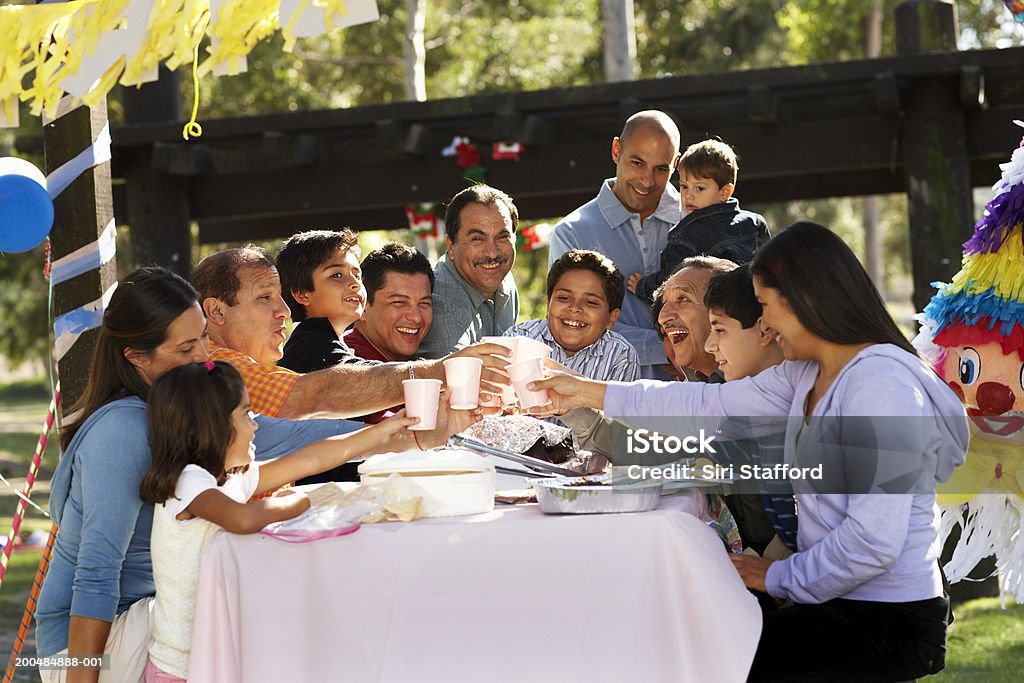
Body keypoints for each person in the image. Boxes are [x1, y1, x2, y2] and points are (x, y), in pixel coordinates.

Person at [531, 222, 968, 682]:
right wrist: (585, 391)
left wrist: (774, 576)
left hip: (886, 618)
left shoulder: (879, 385)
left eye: (766, 306)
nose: (765, 324)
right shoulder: (807, 375)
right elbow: (704, 404)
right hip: (837, 601)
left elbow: (874, 542)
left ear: (807, 301)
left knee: (715, 661)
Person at [33, 268, 369, 683]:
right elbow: (97, 572)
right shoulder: (121, 431)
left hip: (147, 617)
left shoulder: (177, 411)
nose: (204, 358)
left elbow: (289, 435)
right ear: (137, 356)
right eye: (186, 347)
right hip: (89, 646)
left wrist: (402, 433)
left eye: (205, 339)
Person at [140, 361, 418, 681]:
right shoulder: (188, 481)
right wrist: (298, 503)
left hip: (214, 654)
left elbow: (307, 459)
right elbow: (242, 519)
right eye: (246, 414)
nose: (256, 425)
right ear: (212, 425)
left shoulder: (229, 479)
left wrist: (377, 434)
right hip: (179, 668)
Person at [192, 246, 508, 420]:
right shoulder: (223, 372)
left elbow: (323, 447)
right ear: (216, 311)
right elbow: (318, 395)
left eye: (356, 276)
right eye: (265, 297)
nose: (284, 311)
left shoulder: (250, 369)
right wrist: (444, 370)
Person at [548, 110, 682, 379]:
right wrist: (669, 348)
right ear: (616, 150)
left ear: (676, 164)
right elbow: (573, 324)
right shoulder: (572, 232)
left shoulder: (696, 220)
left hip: (698, 399)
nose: (647, 180)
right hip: (608, 401)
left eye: (661, 168)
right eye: (637, 163)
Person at [703, 265, 796, 556]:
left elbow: (813, 521)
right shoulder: (746, 405)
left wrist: (764, 570)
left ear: (765, 329)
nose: (709, 345)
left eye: (719, 329)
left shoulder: (812, 404)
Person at [627, 138, 770, 302]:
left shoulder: (686, 235)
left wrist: (642, 286)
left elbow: (670, 282)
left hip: (712, 314)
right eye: (684, 186)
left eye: (699, 188)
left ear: (725, 192)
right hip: (753, 307)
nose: (689, 195)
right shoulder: (755, 222)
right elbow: (770, 269)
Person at [504, 249, 638, 382]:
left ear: (611, 318)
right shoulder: (519, 338)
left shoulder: (620, 356)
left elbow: (615, 403)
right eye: (563, 298)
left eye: (591, 302)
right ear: (548, 304)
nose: (574, 308)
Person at [418, 184, 520, 358]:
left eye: (502, 237)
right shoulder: (442, 304)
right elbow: (454, 381)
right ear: (451, 246)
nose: (492, 253)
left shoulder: (502, 276)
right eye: (477, 239)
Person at [276, 228, 371, 373]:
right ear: (302, 294)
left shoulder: (321, 341)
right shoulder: (311, 348)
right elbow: (364, 376)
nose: (355, 283)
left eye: (357, 276)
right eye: (337, 275)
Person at [345, 242, 435, 363]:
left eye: (424, 303)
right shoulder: (341, 363)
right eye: (399, 302)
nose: (416, 318)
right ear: (363, 307)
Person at [654, 256, 737, 382]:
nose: (662, 317)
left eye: (682, 299)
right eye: (665, 302)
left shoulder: (768, 389)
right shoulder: (682, 393)